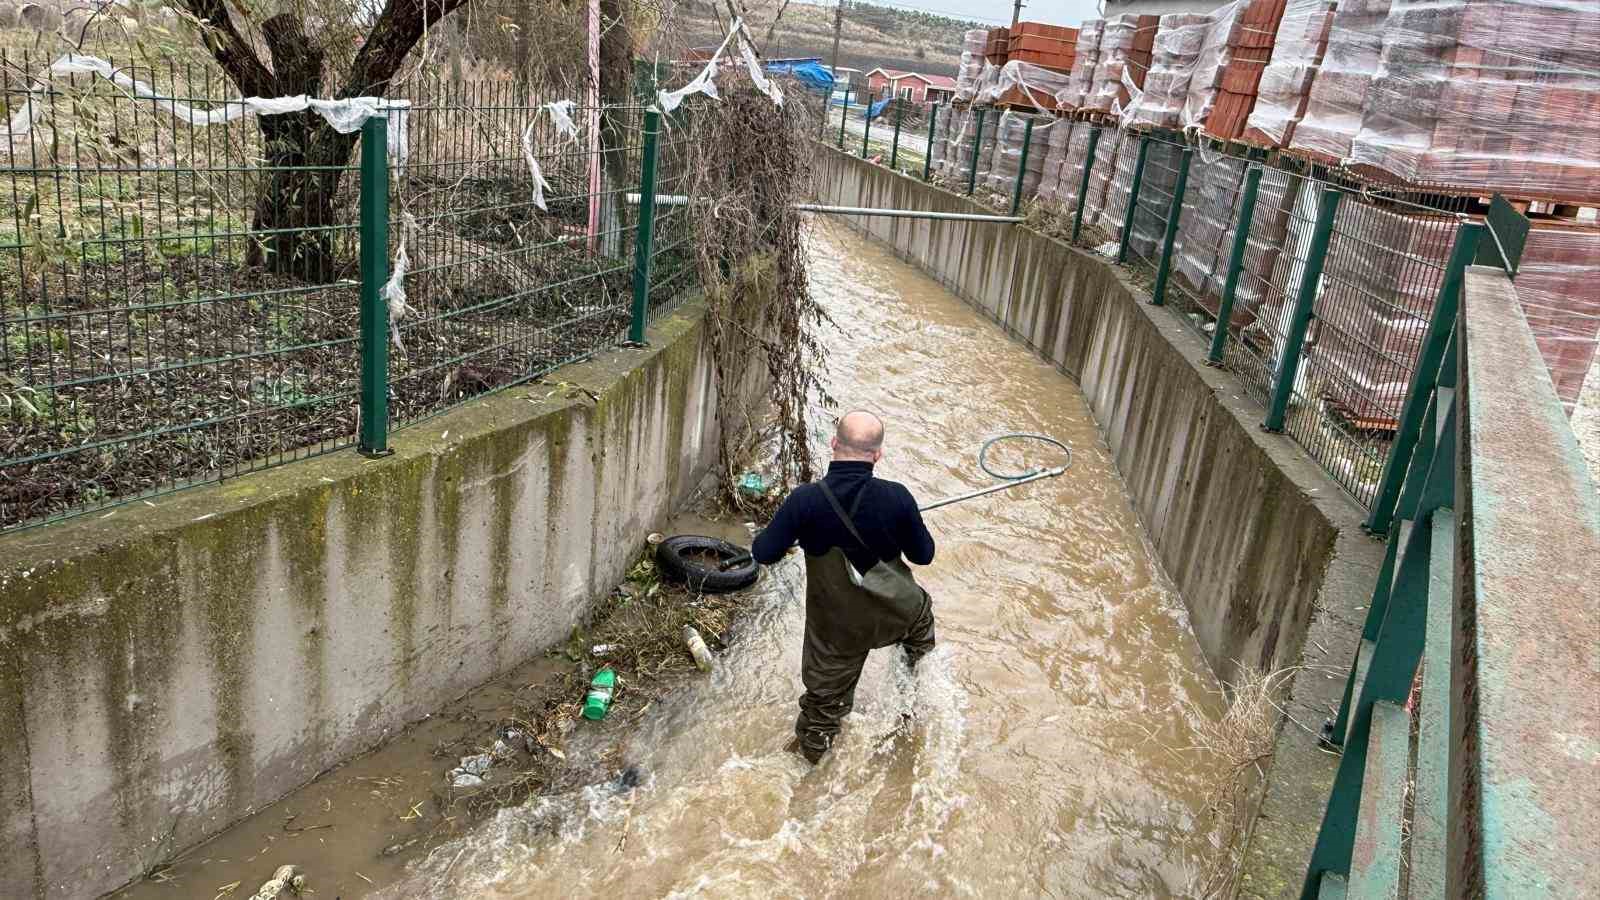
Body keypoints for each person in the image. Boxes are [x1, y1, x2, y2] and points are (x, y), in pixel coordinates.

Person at [752, 410, 937, 764]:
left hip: (838, 629)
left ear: (834, 444)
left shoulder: (805, 501)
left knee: (822, 710)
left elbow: (763, 553)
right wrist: (904, 522)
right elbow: (924, 555)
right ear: (877, 455)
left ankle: (810, 762)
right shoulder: (898, 497)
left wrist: (797, 532)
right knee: (919, 645)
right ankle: (906, 716)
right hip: (898, 614)